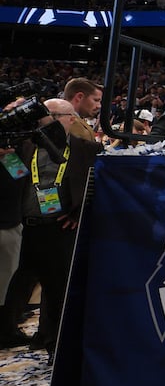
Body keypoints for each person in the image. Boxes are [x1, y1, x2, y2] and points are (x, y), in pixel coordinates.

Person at [0, 99, 101, 355]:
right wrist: (6, 158)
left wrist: (80, 213)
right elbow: (19, 177)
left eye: (53, 115)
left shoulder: (88, 149)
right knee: (19, 283)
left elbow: (97, 185)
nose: (46, 121)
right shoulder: (27, 145)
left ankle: (54, 343)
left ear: (71, 118)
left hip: (61, 228)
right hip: (29, 227)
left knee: (57, 289)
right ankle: (9, 332)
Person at [62, 77, 102, 142]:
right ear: (79, 97)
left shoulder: (66, 118)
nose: (99, 106)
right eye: (96, 100)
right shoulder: (71, 122)